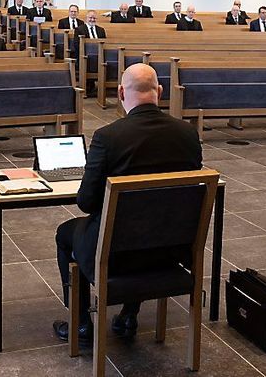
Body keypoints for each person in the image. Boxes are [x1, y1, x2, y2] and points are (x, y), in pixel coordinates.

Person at [52, 64, 203, 345]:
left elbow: (85, 202)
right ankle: (129, 314)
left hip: (116, 255)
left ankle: (82, 323)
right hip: (170, 250)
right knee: (148, 223)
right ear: (159, 91)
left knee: (65, 234)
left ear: (121, 92)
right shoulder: (187, 134)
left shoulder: (108, 137)